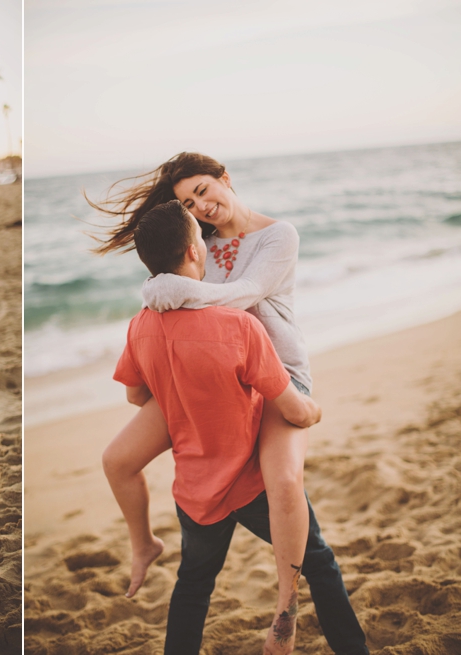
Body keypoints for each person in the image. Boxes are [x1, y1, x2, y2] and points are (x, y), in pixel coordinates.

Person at [113, 200, 368, 654]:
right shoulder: (237, 326)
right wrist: (314, 412)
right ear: (194, 251)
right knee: (320, 564)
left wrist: (182, 386)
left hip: (194, 492)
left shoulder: (140, 327)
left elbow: (136, 395)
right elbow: (291, 408)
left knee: (192, 587)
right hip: (251, 486)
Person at [94, 152, 314, 649]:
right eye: (188, 203)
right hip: (213, 374)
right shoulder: (198, 245)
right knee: (116, 459)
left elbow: (246, 294)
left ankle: (285, 614)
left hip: (272, 370)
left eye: (203, 190)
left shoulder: (279, 235)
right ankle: (143, 544)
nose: (201, 205)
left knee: (283, 483)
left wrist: (166, 289)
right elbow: (181, 308)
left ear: (224, 179)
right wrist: (164, 305)